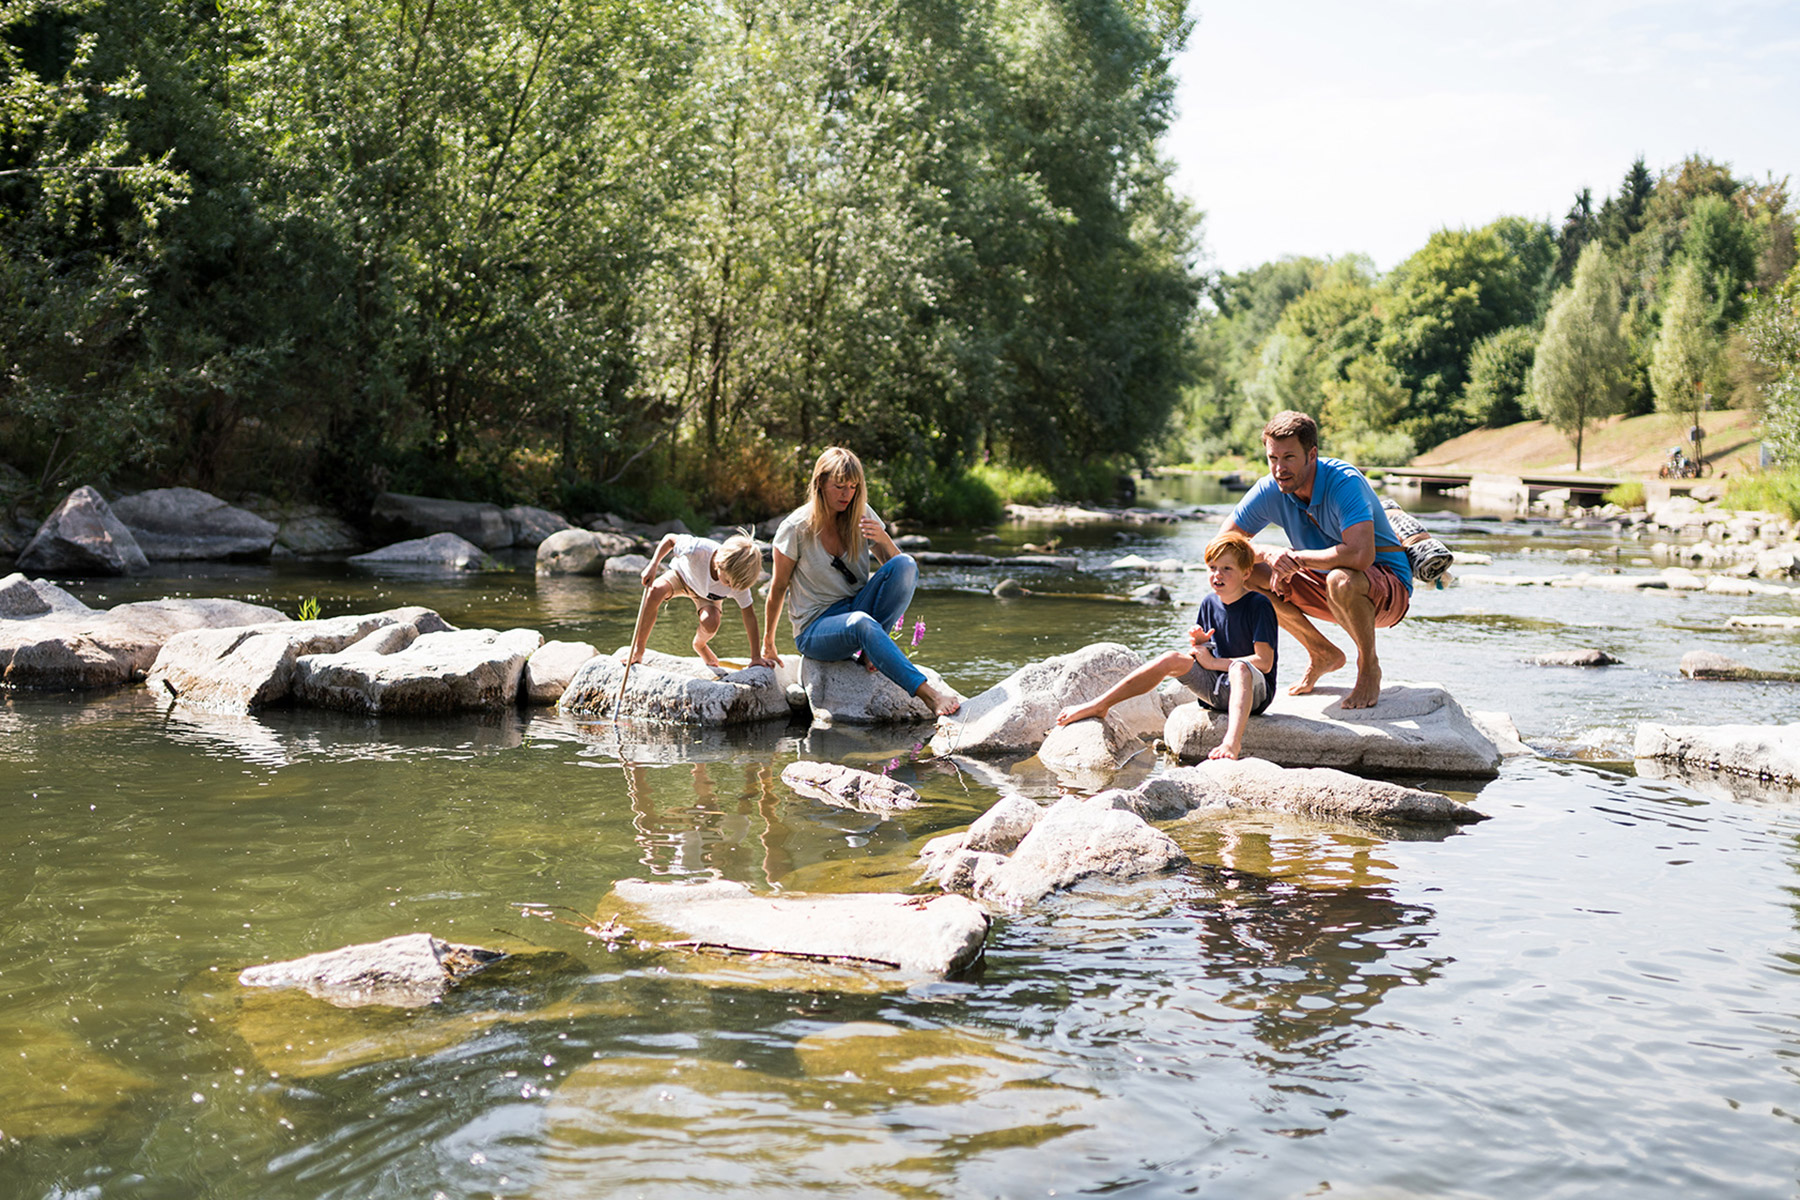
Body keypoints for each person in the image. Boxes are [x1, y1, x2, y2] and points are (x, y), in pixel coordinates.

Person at [1221, 409, 1411, 710]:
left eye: (1289, 457)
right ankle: (1322, 652)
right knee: (1242, 574)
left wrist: (1296, 559)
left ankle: (1368, 666)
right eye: (1273, 458)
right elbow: (1221, 546)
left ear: (1312, 454)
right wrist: (1268, 553)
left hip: (1385, 590)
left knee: (1341, 578)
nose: (1279, 468)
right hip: (1325, 586)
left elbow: (1361, 556)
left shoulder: (1343, 482)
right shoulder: (1270, 489)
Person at [761, 447, 960, 716]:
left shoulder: (861, 513)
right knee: (862, 623)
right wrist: (768, 644)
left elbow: (899, 574)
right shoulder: (794, 528)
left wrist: (883, 539)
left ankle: (871, 652)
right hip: (815, 629)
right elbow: (778, 588)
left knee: (906, 564)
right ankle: (929, 695)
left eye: (853, 487)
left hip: (856, 607)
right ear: (820, 482)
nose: (847, 495)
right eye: (840, 486)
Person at [1056, 531, 1277, 759]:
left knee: (1239, 668)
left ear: (1246, 573)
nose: (1217, 574)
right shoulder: (1209, 602)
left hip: (1253, 692)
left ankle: (1231, 743)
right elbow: (1207, 654)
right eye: (1212, 567)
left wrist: (1212, 661)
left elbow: (1264, 662)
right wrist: (1201, 644)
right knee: (1170, 658)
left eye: (1227, 569)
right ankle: (1099, 705)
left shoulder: (1258, 605)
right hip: (1216, 688)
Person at [628, 528, 772, 669]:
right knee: (654, 591)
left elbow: (750, 617)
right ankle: (638, 650)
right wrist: (653, 565)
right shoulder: (699, 549)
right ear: (720, 563)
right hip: (682, 577)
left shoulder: (738, 584)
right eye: (728, 582)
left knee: (711, 621)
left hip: (708, 597)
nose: (730, 586)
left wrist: (756, 657)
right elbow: (670, 539)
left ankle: (700, 645)